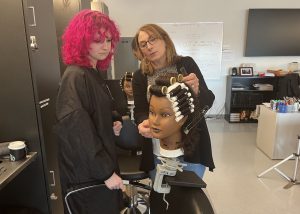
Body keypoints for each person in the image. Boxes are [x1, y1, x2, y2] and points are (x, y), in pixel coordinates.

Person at [54, 10, 124, 214]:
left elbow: (98, 112)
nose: (105, 46)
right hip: (87, 178)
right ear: (81, 40)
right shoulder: (75, 76)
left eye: (109, 40)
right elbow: (77, 130)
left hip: (98, 170)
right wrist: (105, 172)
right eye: (97, 40)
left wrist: (113, 121)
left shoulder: (92, 73)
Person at [131, 24, 215, 178]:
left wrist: (196, 92)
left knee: (189, 197)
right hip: (158, 150)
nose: (149, 46)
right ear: (141, 50)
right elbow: (140, 110)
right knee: (161, 197)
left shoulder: (185, 65)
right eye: (143, 44)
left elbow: (209, 99)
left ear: (164, 40)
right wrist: (143, 122)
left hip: (191, 148)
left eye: (153, 39)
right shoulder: (140, 77)